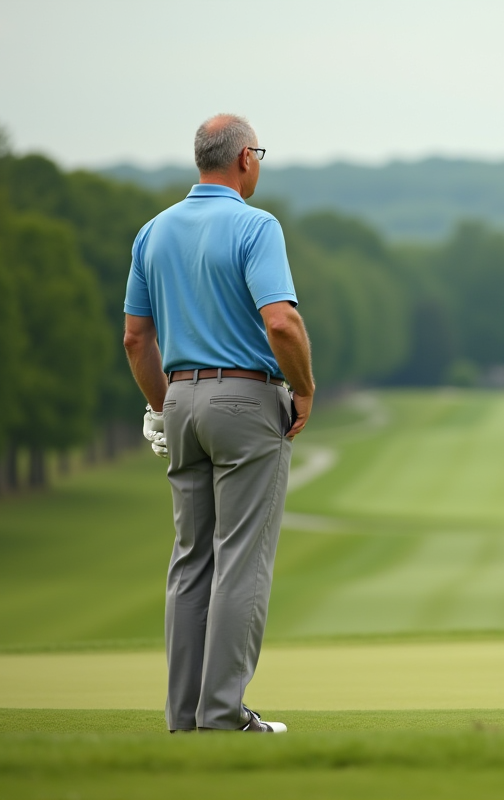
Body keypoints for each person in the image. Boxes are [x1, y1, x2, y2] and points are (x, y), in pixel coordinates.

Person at [122, 113, 314, 733]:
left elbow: (134, 339)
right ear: (242, 160)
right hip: (246, 402)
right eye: (258, 151)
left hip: (179, 401)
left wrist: (160, 405)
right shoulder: (257, 226)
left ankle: (185, 718)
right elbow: (281, 322)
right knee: (240, 560)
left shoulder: (152, 232)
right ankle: (224, 715)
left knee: (190, 561)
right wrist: (306, 391)